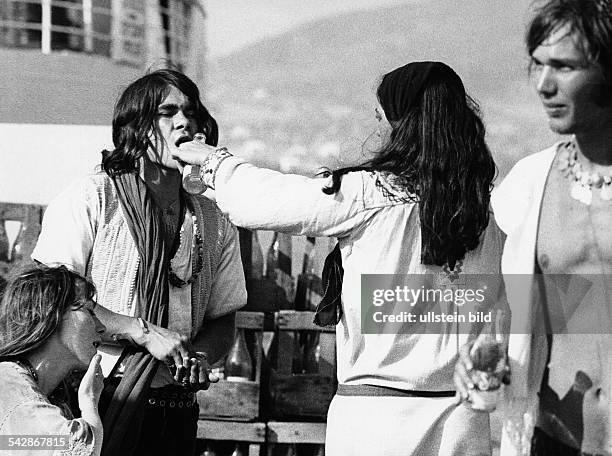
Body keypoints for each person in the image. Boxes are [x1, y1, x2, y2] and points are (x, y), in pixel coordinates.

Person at [173, 61, 506, 456]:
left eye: (381, 117)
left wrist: (213, 161)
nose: (378, 129)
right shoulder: (485, 214)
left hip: (379, 424)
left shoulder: (369, 194)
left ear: (401, 124)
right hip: (463, 422)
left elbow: (263, 201)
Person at [32, 69, 247, 456]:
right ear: (138, 127)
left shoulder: (214, 219)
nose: (184, 122)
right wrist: (144, 332)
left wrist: (195, 358)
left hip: (176, 408)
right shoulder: (93, 197)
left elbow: (223, 316)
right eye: (168, 112)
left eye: (191, 113)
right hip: (90, 398)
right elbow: (53, 294)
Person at [457, 0, 612, 454]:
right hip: (553, 437)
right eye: (538, 66)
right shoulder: (529, 183)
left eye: (564, 66)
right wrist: (483, 350)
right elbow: (503, 299)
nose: (544, 85)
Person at [0, 265, 106, 456]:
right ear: (51, 315)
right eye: (88, 311)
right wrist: (89, 402)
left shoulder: (43, 392)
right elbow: (74, 452)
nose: (101, 327)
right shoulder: (10, 388)